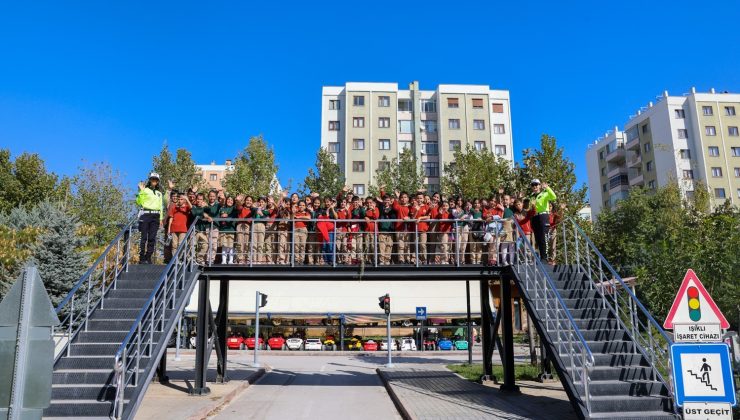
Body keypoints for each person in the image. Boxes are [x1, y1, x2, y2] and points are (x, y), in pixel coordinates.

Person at [136, 172, 165, 264]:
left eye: (156, 180)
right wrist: (141, 191)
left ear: (158, 181)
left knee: (152, 238)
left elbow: (161, 206)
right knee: (144, 237)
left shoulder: (159, 193)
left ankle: (148, 257)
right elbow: (139, 202)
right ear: (150, 180)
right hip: (146, 214)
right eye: (152, 179)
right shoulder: (145, 190)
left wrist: (160, 219)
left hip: (155, 216)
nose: (154, 181)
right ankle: (142, 257)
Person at [529, 179, 557, 262]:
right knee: (537, 238)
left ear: (540, 185)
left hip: (543, 216)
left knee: (543, 237)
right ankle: (540, 257)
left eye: (536, 184)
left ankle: (544, 258)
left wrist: (547, 188)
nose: (535, 186)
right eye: (533, 185)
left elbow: (554, 197)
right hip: (535, 217)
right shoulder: (531, 196)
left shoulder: (544, 193)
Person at [167, 193, 192, 258]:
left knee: (181, 244)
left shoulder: (186, 207)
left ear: (184, 200)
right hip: (173, 229)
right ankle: (174, 259)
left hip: (183, 229)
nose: (180, 200)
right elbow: (171, 218)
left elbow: (191, 208)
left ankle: (180, 258)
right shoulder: (174, 207)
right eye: (179, 199)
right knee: (174, 245)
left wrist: (187, 199)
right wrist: (169, 229)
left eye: (181, 199)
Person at [218, 196, 237, 264]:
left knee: (231, 245)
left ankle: (231, 260)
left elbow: (234, 215)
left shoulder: (234, 208)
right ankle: (224, 260)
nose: (230, 201)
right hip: (223, 229)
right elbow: (220, 215)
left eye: (231, 200)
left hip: (231, 229)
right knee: (224, 245)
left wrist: (227, 215)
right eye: (228, 199)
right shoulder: (222, 208)